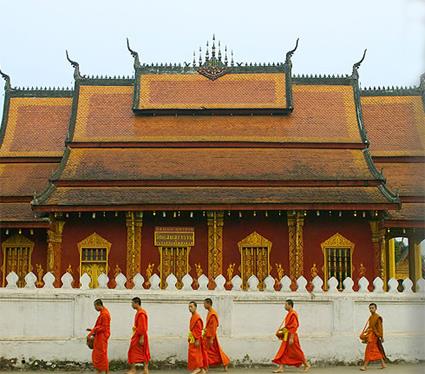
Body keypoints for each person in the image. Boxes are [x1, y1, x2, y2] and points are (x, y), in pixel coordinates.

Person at [272, 299, 310, 373]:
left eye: (286, 305)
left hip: (291, 336)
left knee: (297, 351)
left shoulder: (293, 314)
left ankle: (306, 364)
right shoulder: (289, 313)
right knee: (283, 351)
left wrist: (291, 338)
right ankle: (281, 368)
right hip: (287, 335)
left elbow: (294, 326)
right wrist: (282, 330)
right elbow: (289, 326)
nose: (284, 306)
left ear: (290, 305)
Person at [203, 298, 230, 371]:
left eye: (204, 303)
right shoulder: (209, 312)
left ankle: (225, 362)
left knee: (215, 351)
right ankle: (206, 366)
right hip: (208, 335)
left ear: (208, 304)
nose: (204, 305)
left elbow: (214, 327)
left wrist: (212, 338)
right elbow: (209, 326)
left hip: (211, 336)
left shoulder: (213, 314)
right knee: (209, 352)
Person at [86, 299, 111, 374]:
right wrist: (92, 330)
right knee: (102, 354)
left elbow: (104, 327)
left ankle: (100, 371)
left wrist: (93, 331)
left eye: (95, 306)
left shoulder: (105, 314)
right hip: (100, 335)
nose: (95, 308)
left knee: (100, 355)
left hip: (102, 337)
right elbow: (101, 326)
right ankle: (106, 372)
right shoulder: (103, 313)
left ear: (98, 305)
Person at [360, 303, 386, 371]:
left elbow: (380, 328)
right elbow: (370, 326)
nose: (371, 309)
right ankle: (383, 364)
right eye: (370, 308)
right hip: (370, 335)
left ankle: (365, 366)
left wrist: (381, 337)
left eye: (372, 308)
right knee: (375, 350)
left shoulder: (377, 317)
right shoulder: (371, 317)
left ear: (376, 308)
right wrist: (366, 332)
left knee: (368, 350)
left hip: (374, 336)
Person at [128, 297, 150, 374]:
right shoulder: (139, 312)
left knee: (135, 351)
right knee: (142, 352)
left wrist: (141, 338)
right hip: (138, 335)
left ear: (136, 303)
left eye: (132, 303)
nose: (131, 305)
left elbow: (143, 327)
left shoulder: (141, 313)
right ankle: (144, 370)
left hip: (140, 336)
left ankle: (137, 369)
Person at [188, 301, 208, 374]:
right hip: (193, 338)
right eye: (189, 307)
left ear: (195, 307)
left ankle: (198, 368)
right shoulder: (193, 316)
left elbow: (199, 329)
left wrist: (197, 340)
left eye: (191, 307)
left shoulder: (197, 317)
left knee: (195, 354)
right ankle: (202, 370)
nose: (190, 308)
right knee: (197, 354)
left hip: (196, 339)